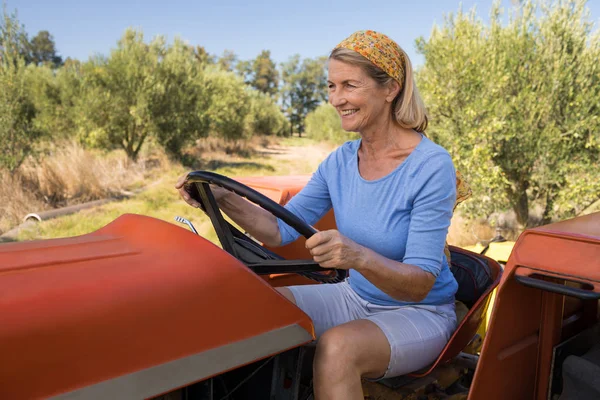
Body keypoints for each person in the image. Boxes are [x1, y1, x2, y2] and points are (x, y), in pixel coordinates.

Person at [176, 30, 463, 400]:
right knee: (247, 304)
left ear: (390, 88)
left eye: (349, 85)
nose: (336, 99)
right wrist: (221, 197)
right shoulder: (340, 161)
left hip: (419, 313)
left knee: (337, 349)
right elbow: (279, 229)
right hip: (353, 296)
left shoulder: (430, 165)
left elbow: (421, 282)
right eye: (331, 86)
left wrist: (357, 256)